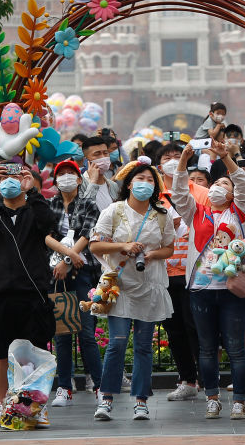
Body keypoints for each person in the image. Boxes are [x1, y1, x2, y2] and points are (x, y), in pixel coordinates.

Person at [0, 161, 58, 427]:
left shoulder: (34, 210)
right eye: (4, 176)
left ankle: (34, 407)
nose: (10, 180)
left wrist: (33, 191)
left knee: (34, 354)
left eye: (14, 176)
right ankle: (4, 405)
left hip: (32, 293)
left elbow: (48, 223)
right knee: (2, 354)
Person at [172, 139, 245, 420]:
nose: (220, 188)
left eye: (226, 185)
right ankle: (212, 397)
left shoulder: (240, 211)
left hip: (231, 288)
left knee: (235, 347)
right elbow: (179, 193)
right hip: (200, 288)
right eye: (216, 185)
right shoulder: (196, 211)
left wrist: (227, 158)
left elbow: (244, 186)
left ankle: (239, 401)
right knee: (207, 349)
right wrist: (184, 161)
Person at [89, 161, 175, 422]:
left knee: (143, 346)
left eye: (151, 180)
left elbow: (169, 248)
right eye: (141, 179)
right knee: (116, 342)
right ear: (128, 183)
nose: (145, 184)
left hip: (149, 285)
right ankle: (106, 397)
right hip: (120, 286)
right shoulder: (113, 211)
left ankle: (141, 401)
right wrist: (123, 246)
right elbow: (94, 246)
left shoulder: (162, 215)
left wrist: (150, 254)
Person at [46, 159, 103, 406]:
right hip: (56, 274)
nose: (66, 178)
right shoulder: (50, 205)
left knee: (87, 332)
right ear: (56, 181)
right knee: (62, 333)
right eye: (62, 174)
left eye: (71, 173)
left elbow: (87, 234)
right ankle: (64, 387)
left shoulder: (89, 204)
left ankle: (101, 386)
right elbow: (46, 236)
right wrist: (67, 255)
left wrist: (70, 260)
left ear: (80, 180)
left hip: (82, 273)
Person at [155, 142, 204, 401]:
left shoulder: (202, 192)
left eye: (179, 156)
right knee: (174, 329)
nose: (174, 160)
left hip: (196, 270)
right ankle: (187, 379)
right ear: (159, 165)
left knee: (196, 326)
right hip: (164, 271)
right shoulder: (152, 196)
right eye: (168, 157)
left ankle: (207, 379)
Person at [81, 136, 119, 211]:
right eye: (97, 154)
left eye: (105, 153)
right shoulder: (79, 184)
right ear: (86, 160)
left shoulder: (113, 186)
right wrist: (93, 182)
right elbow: (82, 211)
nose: (103, 157)